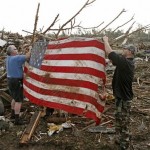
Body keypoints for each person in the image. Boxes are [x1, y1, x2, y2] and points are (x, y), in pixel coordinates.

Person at [103, 36, 136, 150]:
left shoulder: (127, 63)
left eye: (125, 48)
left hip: (124, 99)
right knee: (118, 119)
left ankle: (125, 144)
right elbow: (112, 60)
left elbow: (111, 54)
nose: (123, 49)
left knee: (124, 122)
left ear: (130, 52)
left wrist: (106, 40)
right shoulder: (125, 62)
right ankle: (119, 139)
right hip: (119, 97)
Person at [6, 45, 30, 125]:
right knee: (18, 100)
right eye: (15, 49)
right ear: (12, 52)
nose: (17, 49)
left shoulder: (8, 58)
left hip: (10, 80)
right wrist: (30, 48)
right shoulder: (16, 58)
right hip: (16, 81)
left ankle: (12, 115)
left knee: (14, 97)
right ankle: (17, 120)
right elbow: (28, 56)